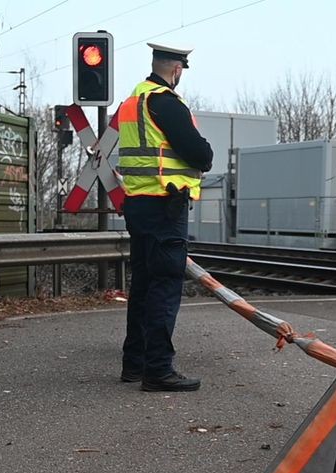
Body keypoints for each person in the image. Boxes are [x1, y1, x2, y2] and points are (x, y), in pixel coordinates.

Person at [116, 42, 213, 392]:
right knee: (165, 285)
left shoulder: (132, 103)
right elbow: (199, 153)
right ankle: (158, 369)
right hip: (164, 204)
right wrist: (205, 151)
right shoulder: (166, 103)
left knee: (143, 284)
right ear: (176, 69)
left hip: (137, 204)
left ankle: (135, 364)